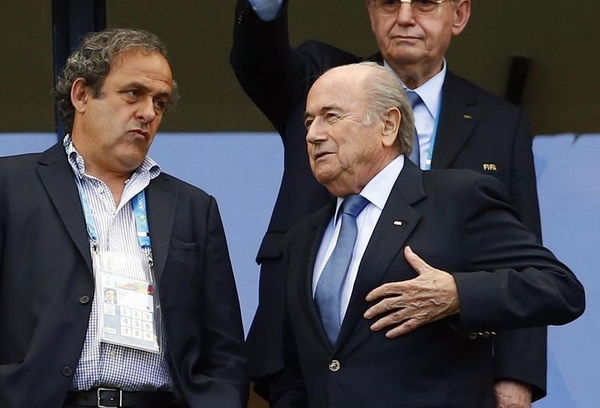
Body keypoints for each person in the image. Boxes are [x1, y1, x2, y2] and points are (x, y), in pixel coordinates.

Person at [231, 1, 545, 405]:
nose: (405, 16)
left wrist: (515, 375)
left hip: (439, 370)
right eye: (388, 3)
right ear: (370, 13)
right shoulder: (322, 78)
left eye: (426, 3)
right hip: (307, 359)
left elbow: (523, 256)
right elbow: (260, 60)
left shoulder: (500, 121)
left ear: (460, 15)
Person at [270, 62, 584, 408]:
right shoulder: (304, 237)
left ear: (388, 125)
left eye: (331, 116)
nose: (314, 134)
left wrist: (458, 294)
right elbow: (297, 369)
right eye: (309, 121)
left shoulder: (455, 199)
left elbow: (560, 288)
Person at [0, 28, 247, 408]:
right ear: (82, 95)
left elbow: (224, 348)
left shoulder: (193, 207)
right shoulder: (10, 187)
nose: (148, 112)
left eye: (160, 102)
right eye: (133, 93)